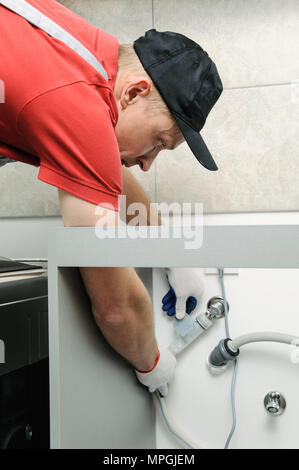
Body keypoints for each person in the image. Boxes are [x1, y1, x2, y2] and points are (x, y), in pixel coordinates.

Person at [0, 0, 223, 396]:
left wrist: (170, 252)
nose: (149, 163)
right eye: (159, 142)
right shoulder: (79, 105)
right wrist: (153, 363)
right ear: (135, 92)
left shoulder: (82, 52)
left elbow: (104, 168)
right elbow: (117, 308)